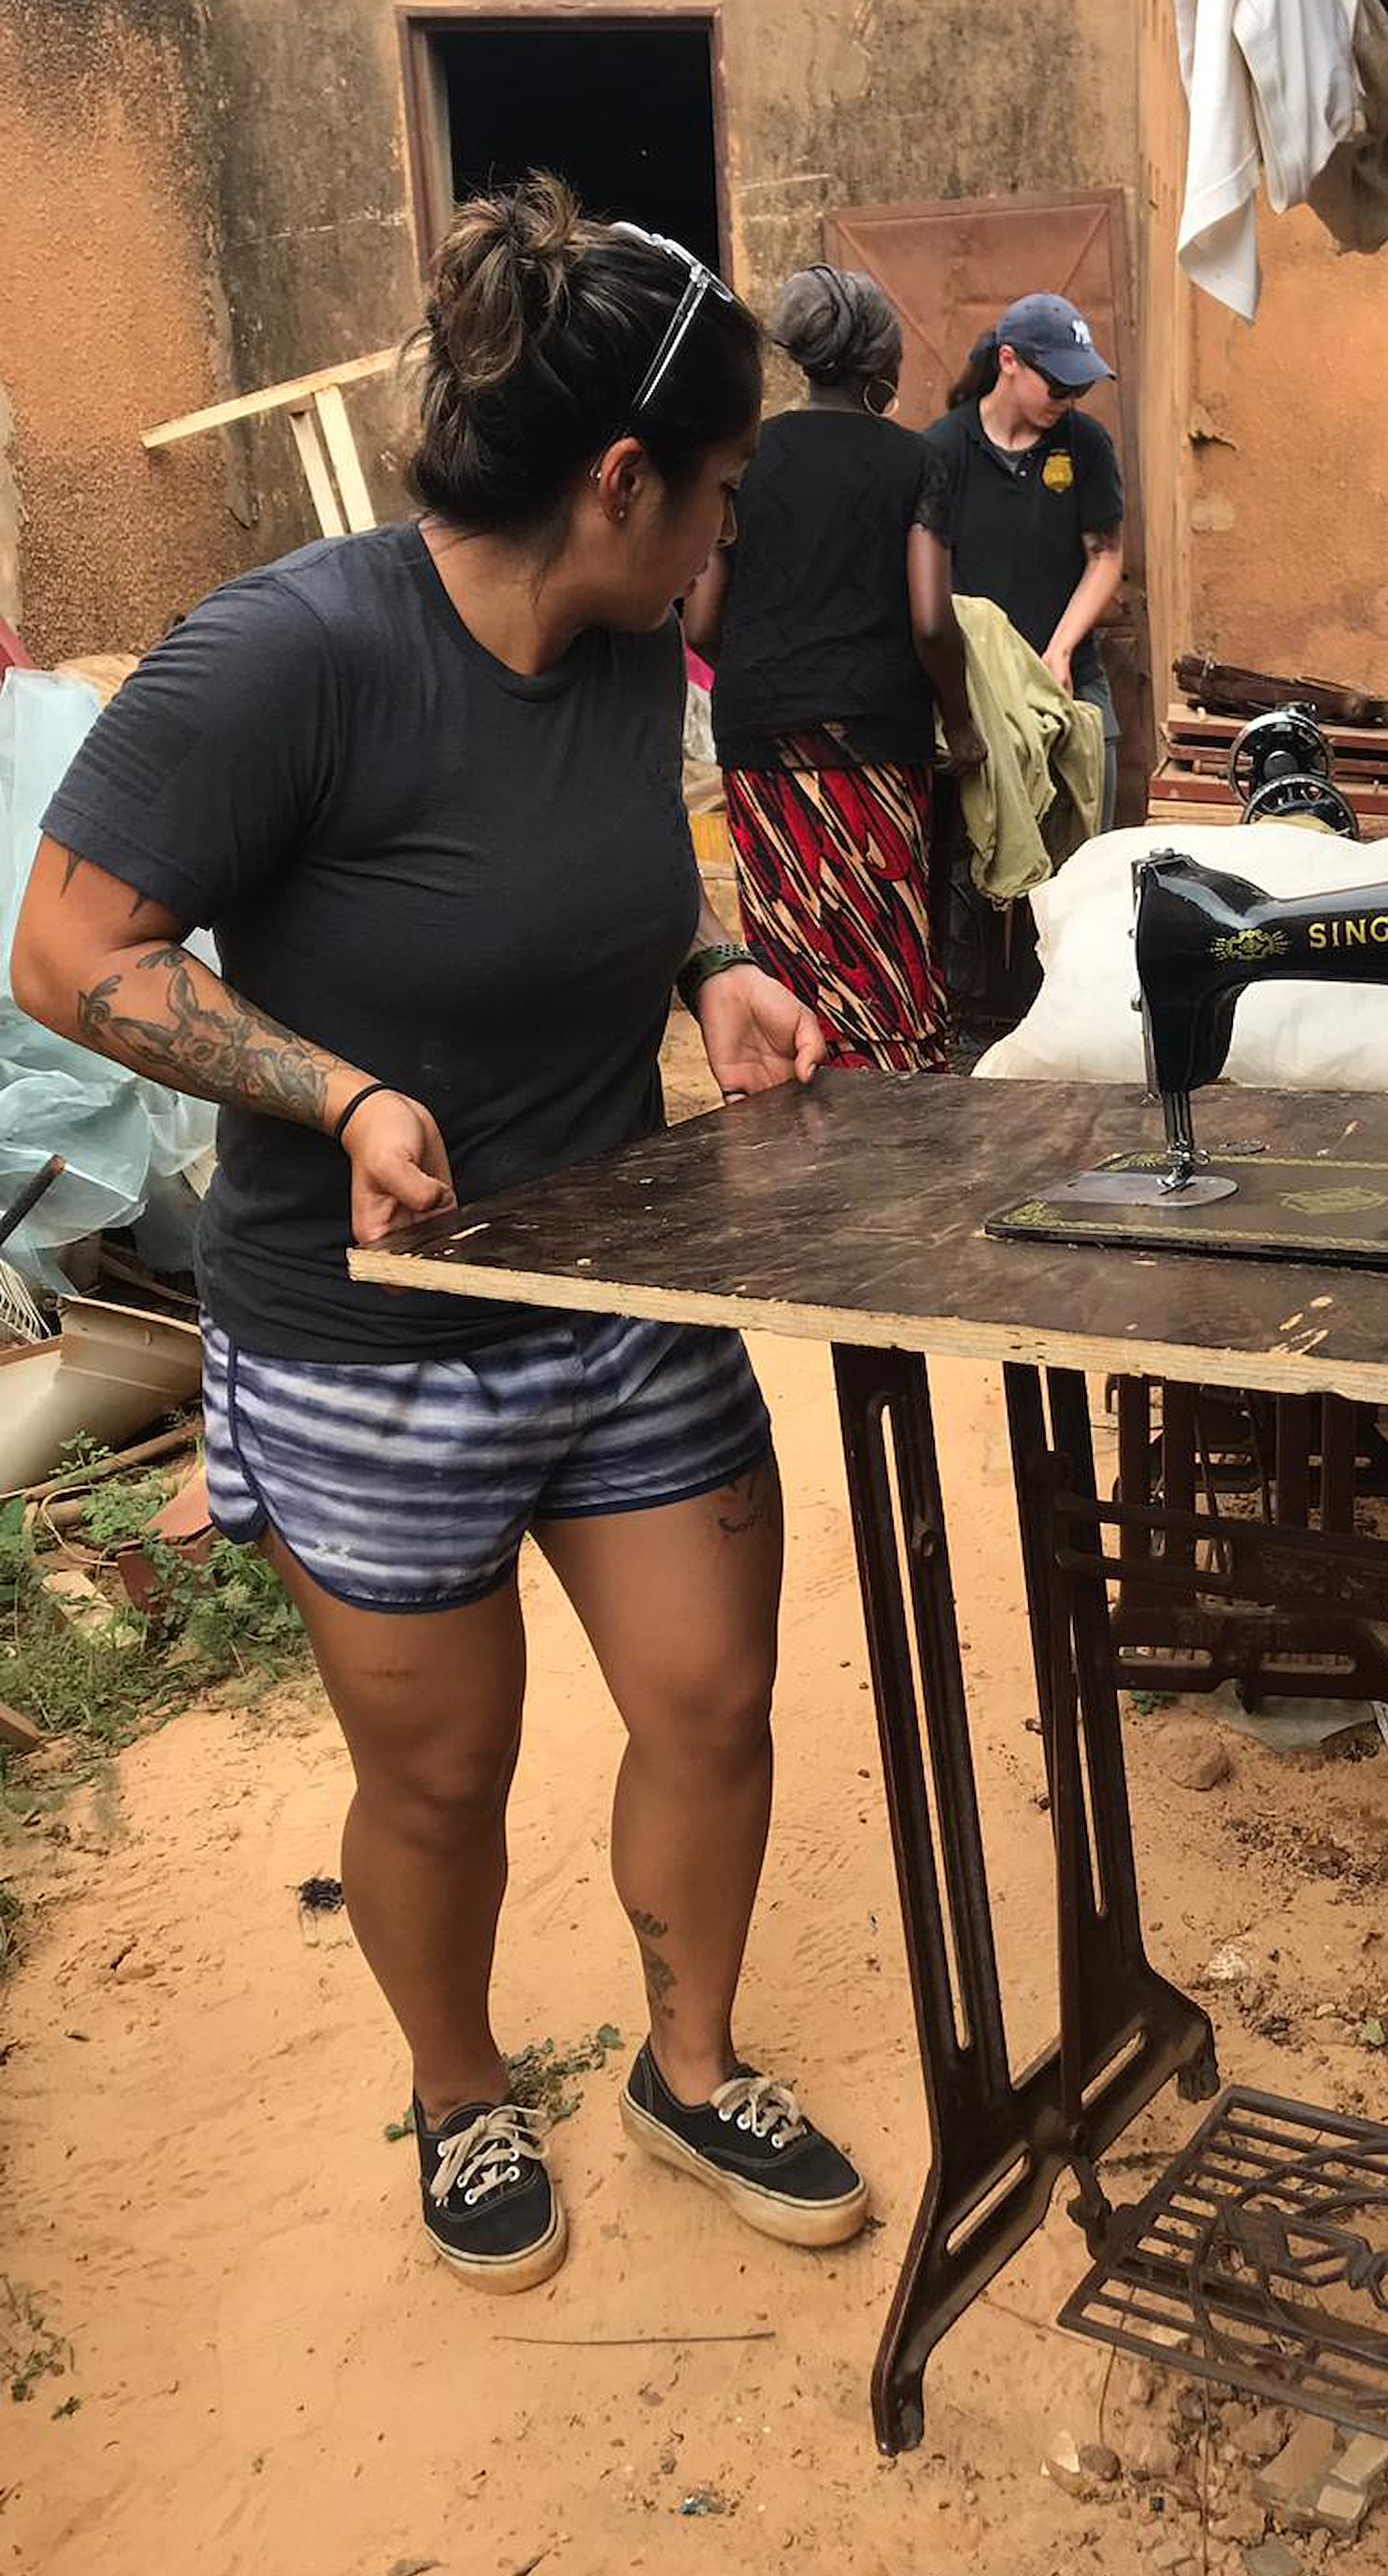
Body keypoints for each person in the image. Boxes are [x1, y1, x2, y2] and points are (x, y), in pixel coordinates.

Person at [11, 174, 871, 2294]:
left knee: (709, 1699)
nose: (735, 531)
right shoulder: (278, 656)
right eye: (723, 489)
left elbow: (617, 867)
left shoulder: (616, 641)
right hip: (359, 1337)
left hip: (608, 1278)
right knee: (443, 1774)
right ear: (615, 479)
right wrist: (341, 1091)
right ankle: (464, 2088)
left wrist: (709, 973)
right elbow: (65, 952)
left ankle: (686, 2062)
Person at [684, 264, 982, 1073]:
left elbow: (703, 620)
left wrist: (765, 670)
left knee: (791, 943)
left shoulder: (746, 458)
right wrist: (960, 721)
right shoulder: (916, 461)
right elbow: (930, 619)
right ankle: (894, 1111)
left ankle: (796, 1095)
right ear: (881, 363)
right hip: (876, 741)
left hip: (761, 746)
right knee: (883, 947)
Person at [923, 292, 1127, 830]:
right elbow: (928, 585)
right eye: (1059, 386)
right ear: (1009, 362)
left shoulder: (1085, 444)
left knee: (1087, 854)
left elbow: (1105, 556)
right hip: (980, 690)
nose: (1068, 400)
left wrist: (1058, 651)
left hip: (1070, 677)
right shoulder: (943, 451)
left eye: (1079, 389)